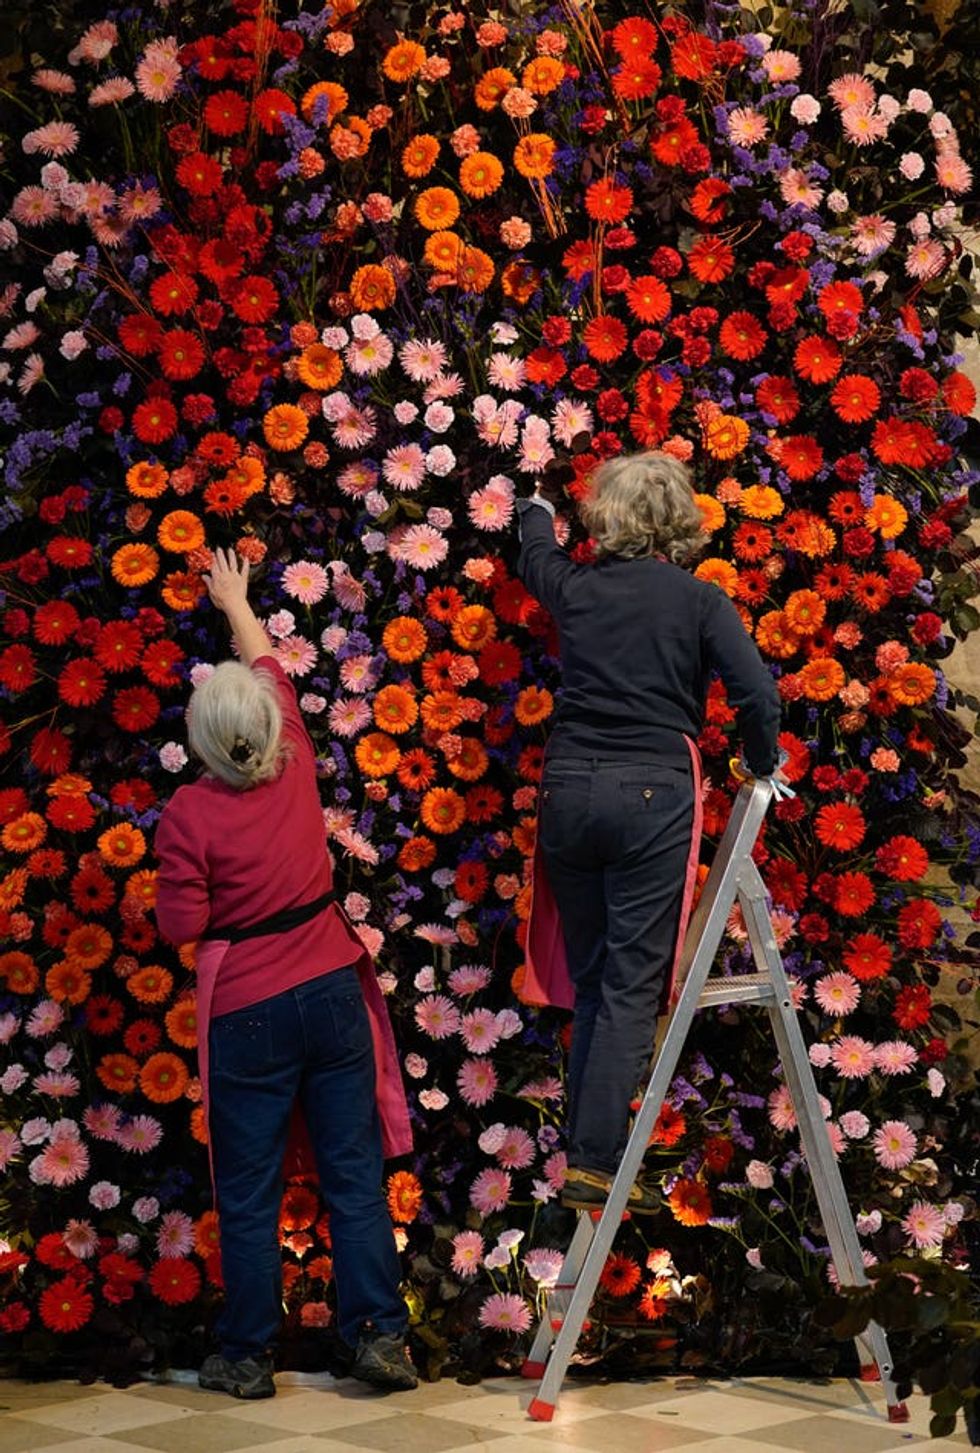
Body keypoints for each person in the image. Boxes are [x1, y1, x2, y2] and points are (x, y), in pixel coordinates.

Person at [154, 548, 417, 1399]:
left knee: (250, 1187)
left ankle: (247, 1355)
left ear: (202, 738)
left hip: (249, 1013)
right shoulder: (297, 756)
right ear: (270, 721)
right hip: (333, 990)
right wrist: (234, 599)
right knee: (352, 1171)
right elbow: (269, 660)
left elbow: (182, 927)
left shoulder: (189, 812)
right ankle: (379, 1335)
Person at [517, 450, 782, 1216]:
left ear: (608, 516)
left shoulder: (577, 587)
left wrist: (534, 502)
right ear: (678, 520)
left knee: (597, 976)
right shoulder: (700, 602)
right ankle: (596, 1163)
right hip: (651, 792)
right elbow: (756, 695)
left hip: (568, 786)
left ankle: (586, 1154)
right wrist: (759, 763)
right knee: (633, 980)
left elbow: (535, 553)